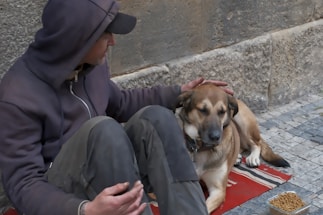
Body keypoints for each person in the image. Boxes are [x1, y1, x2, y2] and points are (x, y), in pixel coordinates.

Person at [0, 0, 233, 214]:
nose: (113, 41)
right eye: (106, 34)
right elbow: (22, 184)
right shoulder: (18, 95)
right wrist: (84, 209)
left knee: (159, 118)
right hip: (64, 198)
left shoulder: (89, 67)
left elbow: (120, 102)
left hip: (106, 172)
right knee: (105, 130)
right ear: (79, 41)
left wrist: (178, 93)